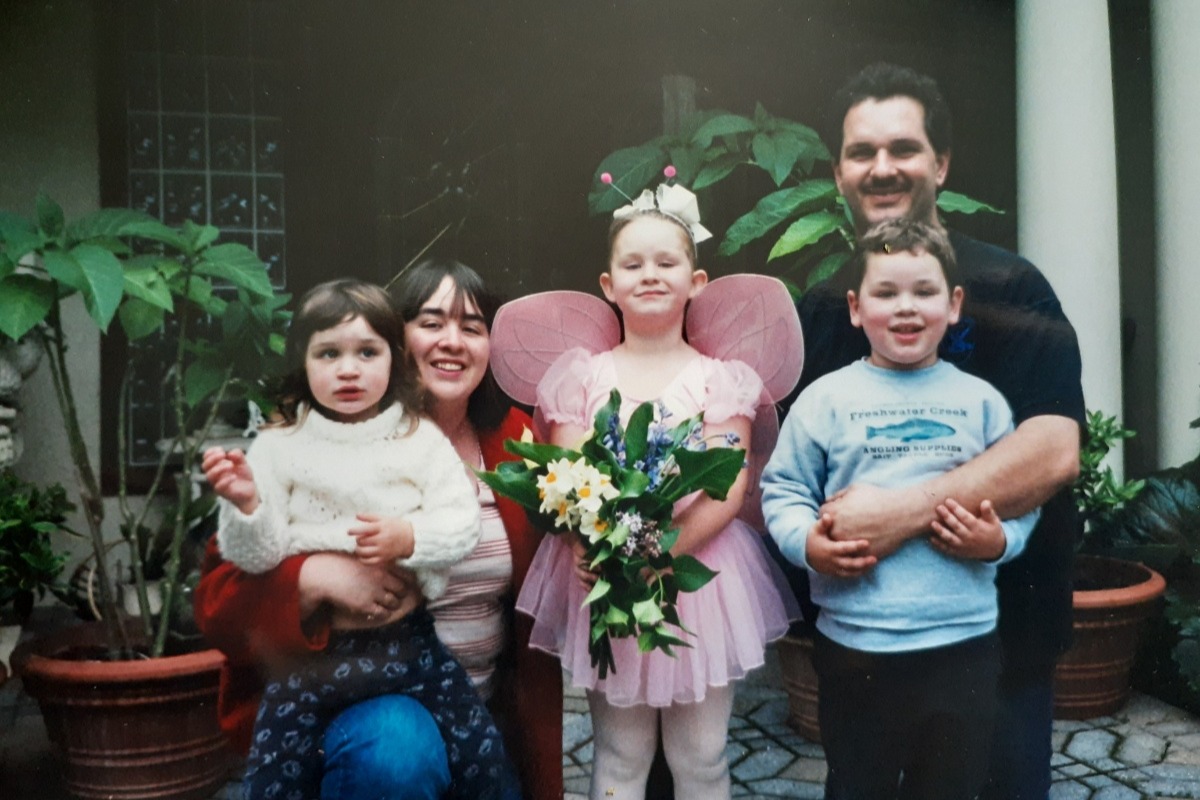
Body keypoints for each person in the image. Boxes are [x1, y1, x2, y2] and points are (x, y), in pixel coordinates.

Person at [784, 63, 1085, 799]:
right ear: (839, 173)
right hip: (863, 652)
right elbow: (788, 473)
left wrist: (898, 514)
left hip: (1000, 643)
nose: (882, 167)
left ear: (941, 164)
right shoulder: (825, 308)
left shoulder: (1011, 288)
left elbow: (1053, 450)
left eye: (904, 148)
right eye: (862, 152)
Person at [194, 261, 563, 800]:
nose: (452, 341)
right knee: (397, 746)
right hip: (358, 706)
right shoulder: (313, 442)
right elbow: (218, 602)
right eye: (431, 323)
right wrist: (313, 577)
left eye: (472, 326)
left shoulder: (516, 441)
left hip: (472, 708)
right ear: (396, 338)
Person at [512, 184, 799, 800]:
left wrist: (659, 555)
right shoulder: (581, 377)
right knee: (620, 754)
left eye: (666, 262)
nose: (649, 275)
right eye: (633, 264)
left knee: (701, 755)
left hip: (698, 573)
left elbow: (728, 486)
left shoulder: (720, 380)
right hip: (607, 577)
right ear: (608, 284)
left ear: (696, 282)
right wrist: (597, 550)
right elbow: (566, 480)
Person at [762, 219, 1039, 798]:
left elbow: (1021, 494)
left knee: (950, 787)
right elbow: (783, 491)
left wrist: (999, 540)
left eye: (924, 291)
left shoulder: (982, 403)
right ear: (856, 308)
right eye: (886, 293)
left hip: (963, 646)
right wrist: (809, 544)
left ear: (954, 304)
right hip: (856, 648)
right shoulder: (825, 399)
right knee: (858, 786)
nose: (906, 307)